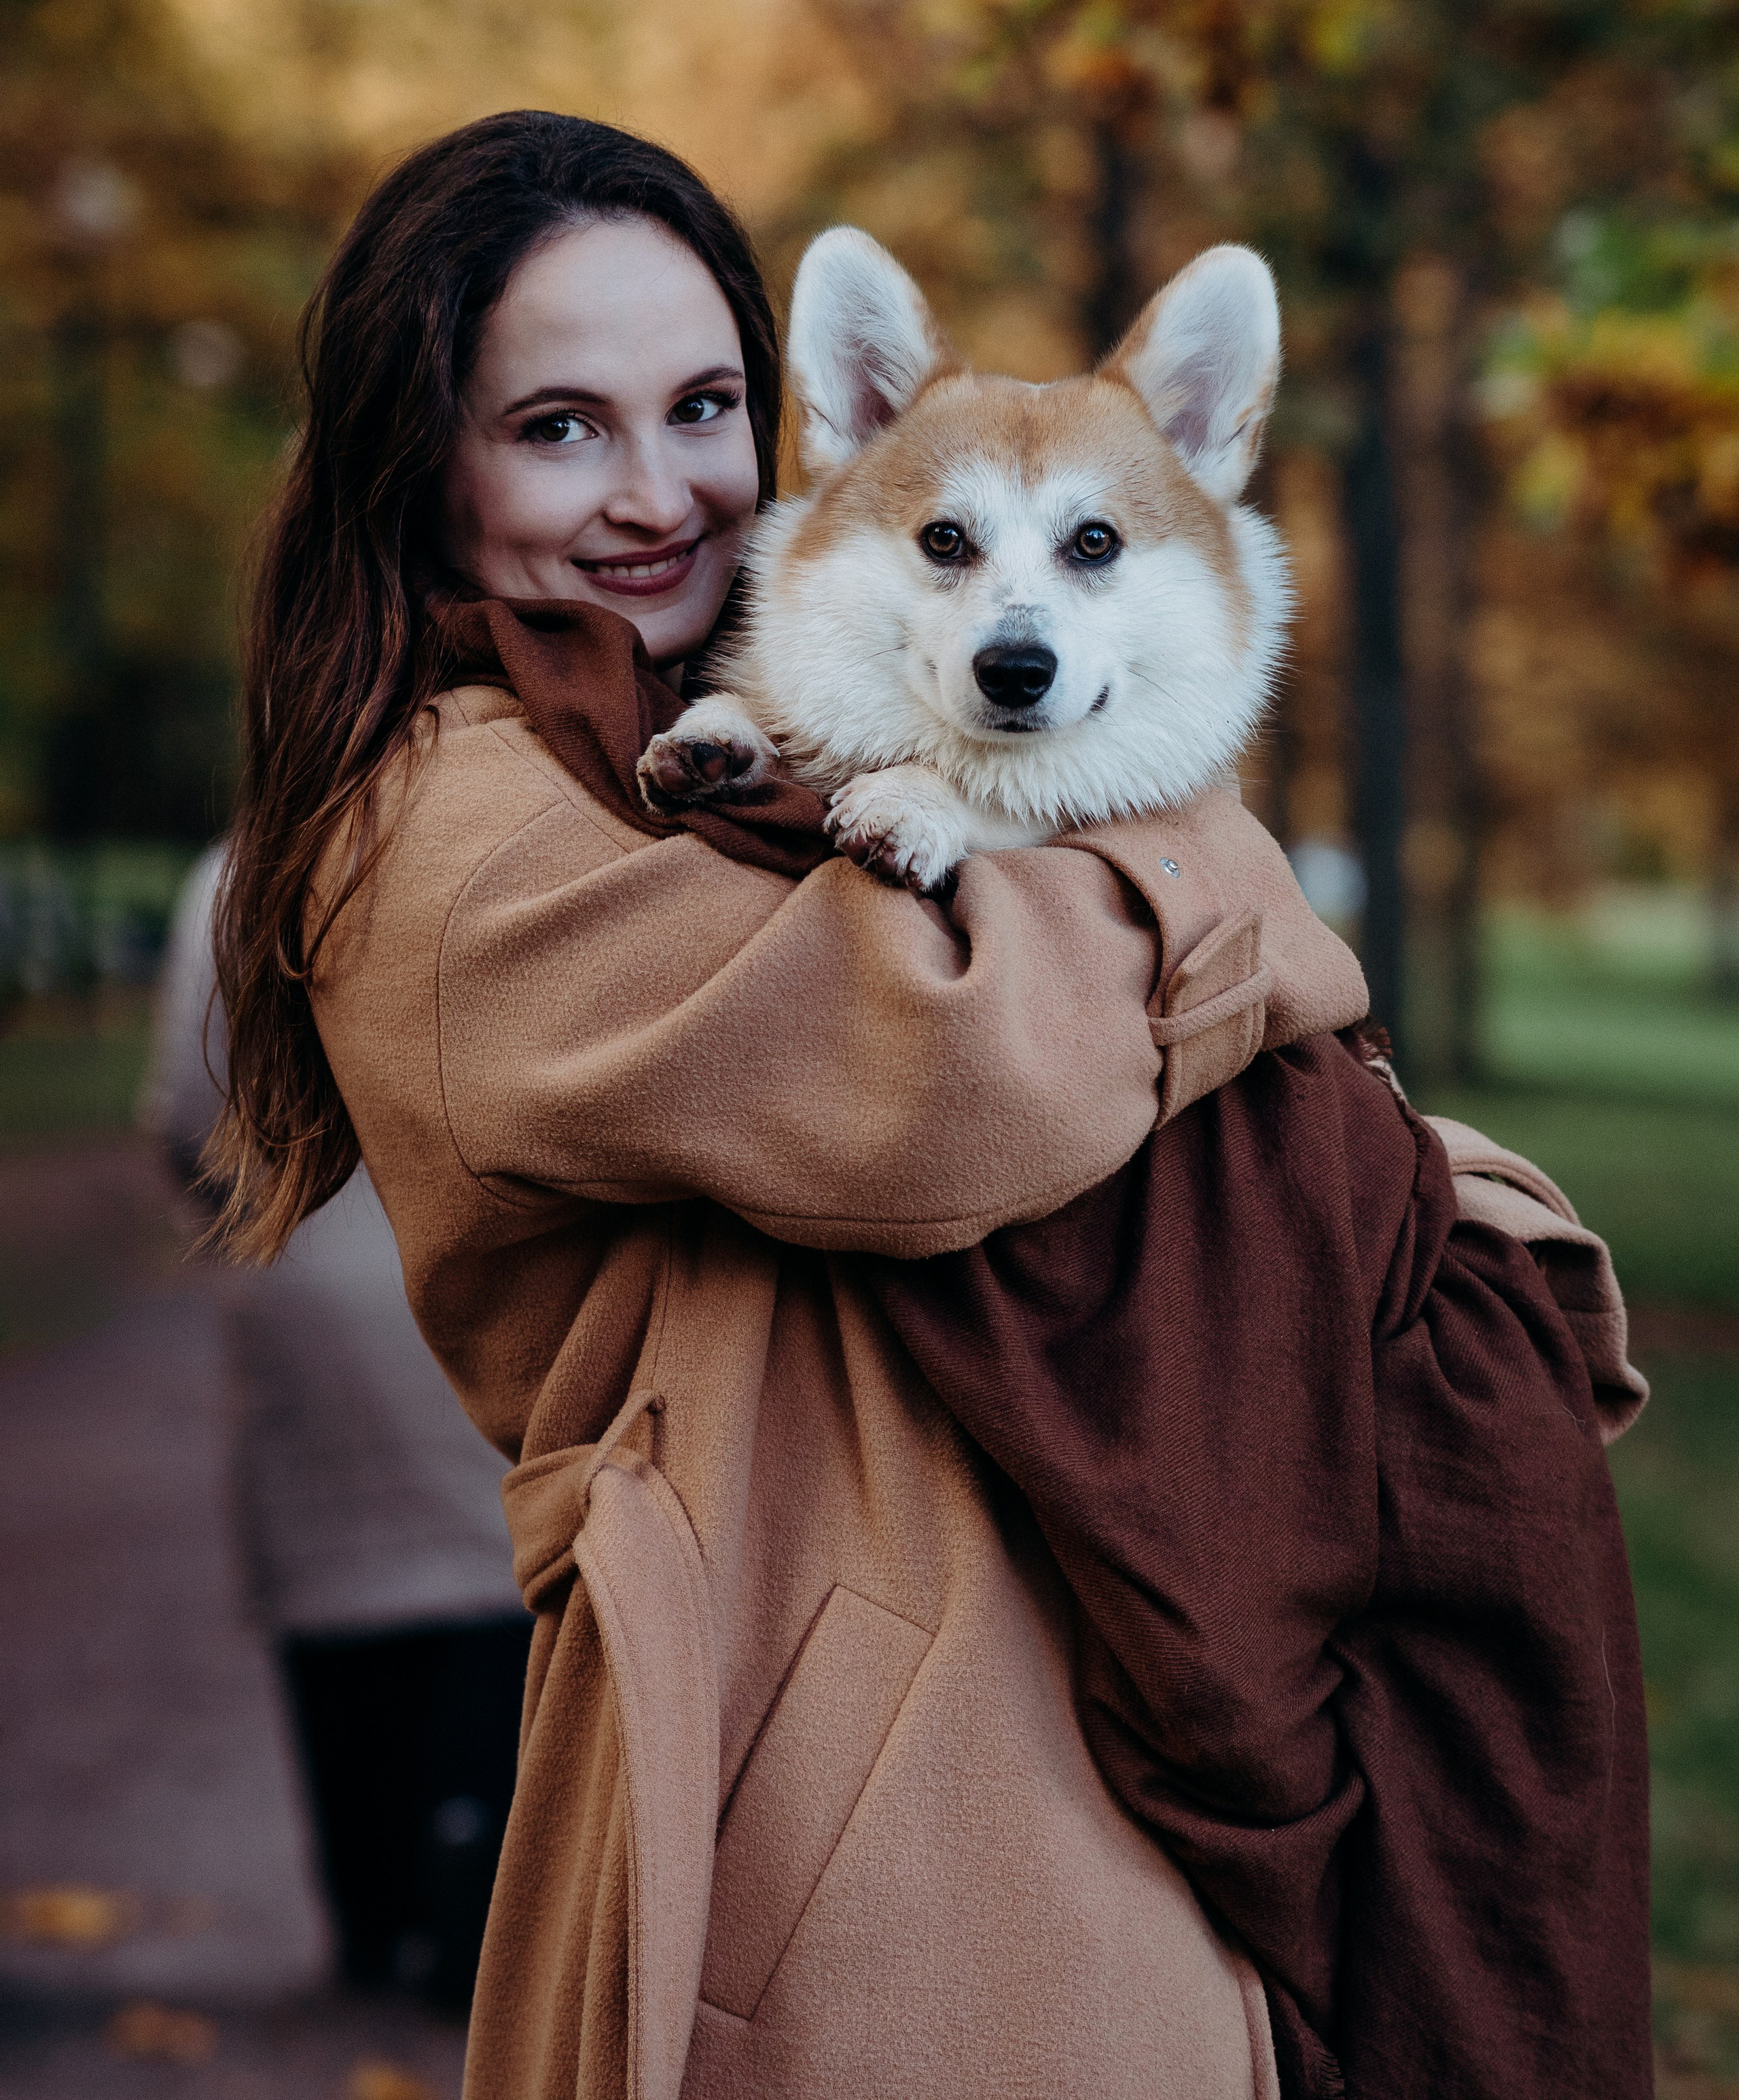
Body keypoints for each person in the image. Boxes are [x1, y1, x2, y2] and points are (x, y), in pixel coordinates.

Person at [210, 110, 1651, 2100]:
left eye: (704, 404)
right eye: (557, 427)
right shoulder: (456, 841)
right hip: (848, 1813)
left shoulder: (679, 752)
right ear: (419, 462)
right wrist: (1226, 874)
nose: (657, 493)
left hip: (1067, 1687)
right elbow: (965, 1091)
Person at [141, 846, 531, 2008]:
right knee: (498, 1571)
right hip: (489, 1274)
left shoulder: (244, 871)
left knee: (341, 1576)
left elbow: (186, 1113)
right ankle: (486, 1902)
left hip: (311, 1264)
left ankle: (373, 1913)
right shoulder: (529, 827)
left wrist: (265, 1207)